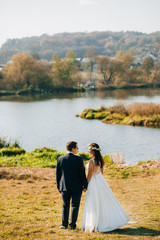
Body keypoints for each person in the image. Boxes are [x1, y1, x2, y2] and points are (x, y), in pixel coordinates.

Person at [81, 143, 130, 232]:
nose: (88, 151)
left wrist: (85, 186)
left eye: (89, 149)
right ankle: (102, 221)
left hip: (93, 182)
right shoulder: (100, 160)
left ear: (93, 151)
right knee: (102, 201)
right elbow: (101, 173)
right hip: (100, 181)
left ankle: (95, 223)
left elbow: (89, 175)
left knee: (94, 202)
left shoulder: (92, 161)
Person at [56, 141, 88, 230]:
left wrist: (59, 186)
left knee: (65, 205)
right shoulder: (79, 159)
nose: (78, 149)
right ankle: (72, 226)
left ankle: (64, 224)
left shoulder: (60, 159)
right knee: (75, 206)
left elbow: (58, 175)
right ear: (73, 148)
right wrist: (86, 185)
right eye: (77, 148)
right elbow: (82, 174)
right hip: (77, 187)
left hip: (64, 186)